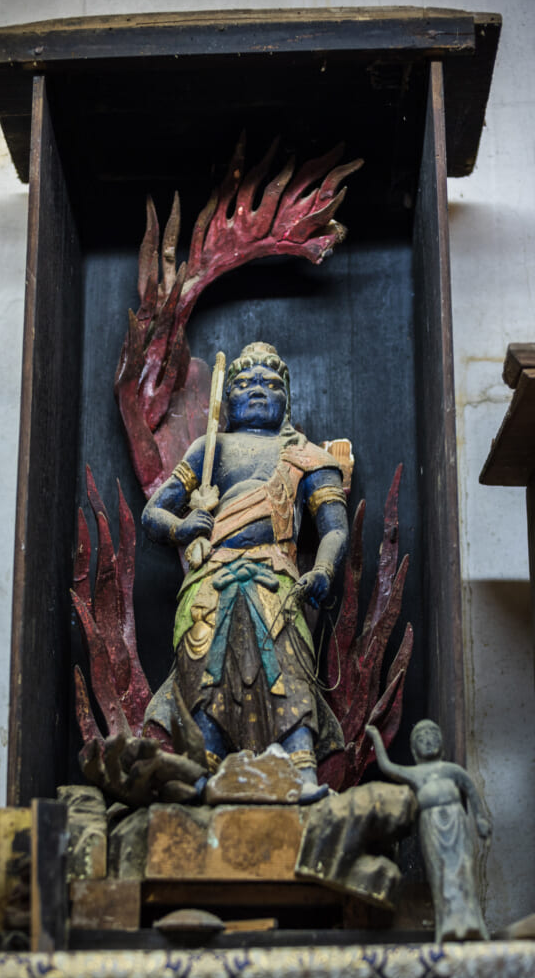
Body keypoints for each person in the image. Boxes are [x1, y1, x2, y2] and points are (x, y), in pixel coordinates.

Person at [141, 342, 349, 800]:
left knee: (287, 669)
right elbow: (153, 513)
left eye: (271, 384)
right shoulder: (208, 449)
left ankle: (303, 775)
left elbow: (333, 529)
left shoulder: (306, 456)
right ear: (226, 399)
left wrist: (324, 570)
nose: (257, 390)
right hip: (212, 580)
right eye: (244, 383)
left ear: (287, 400)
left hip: (274, 578)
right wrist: (182, 527)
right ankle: (203, 775)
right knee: (204, 673)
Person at [367, 720, 492, 942]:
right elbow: (387, 767)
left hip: (457, 821)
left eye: (433, 736)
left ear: (441, 743)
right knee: (440, 874)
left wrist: (481, 818)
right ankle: (448, 928)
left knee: (463, 872)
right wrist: (376, 736)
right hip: (431, 827)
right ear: (414, 749)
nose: (428, 741)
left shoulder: (451, 770)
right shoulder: (416, 773)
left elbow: (471, 789)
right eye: (422, 739)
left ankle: (473, 925)